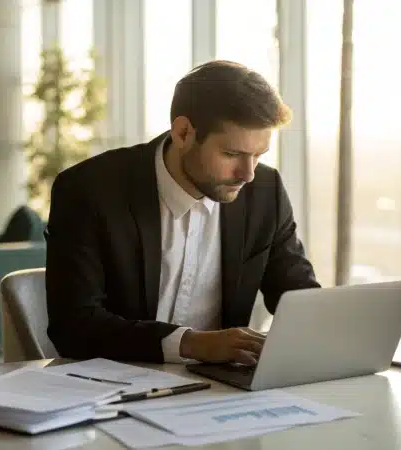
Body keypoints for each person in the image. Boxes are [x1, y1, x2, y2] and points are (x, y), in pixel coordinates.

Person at [45, 60, 320, 366]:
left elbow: (298, 296)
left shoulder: (265, 192)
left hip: (223, 393)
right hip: (116, 388)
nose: (248, 174)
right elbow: (73, 327)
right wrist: (192, 344)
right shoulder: (89, 191)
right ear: (183, 132)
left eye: (258, 155)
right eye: (231, 154)